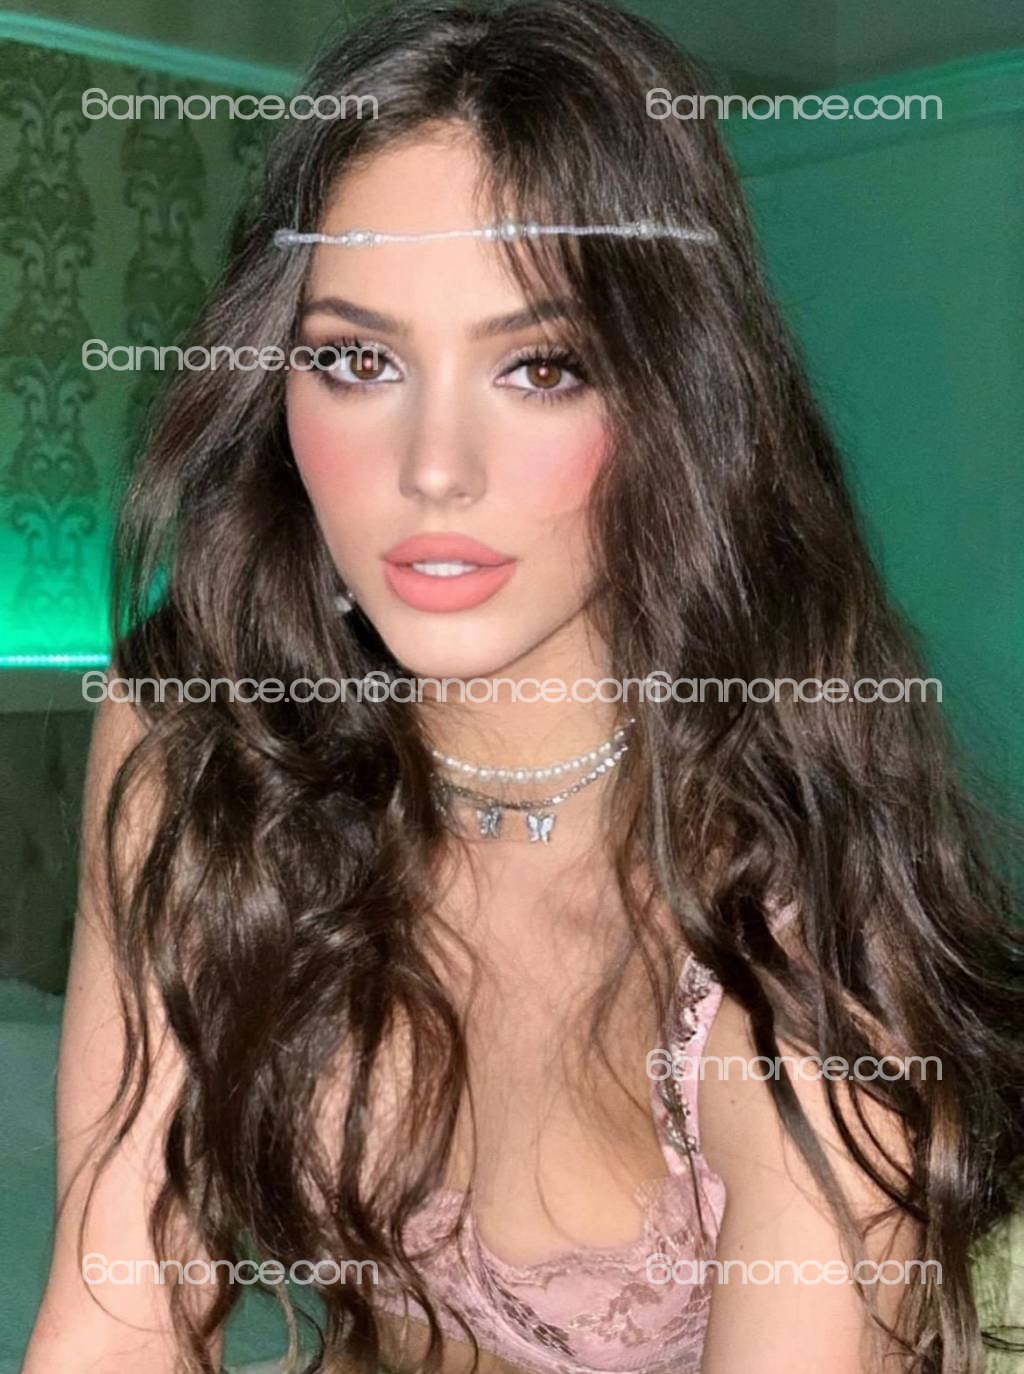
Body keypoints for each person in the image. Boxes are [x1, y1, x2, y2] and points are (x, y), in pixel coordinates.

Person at [23, 2, 1023, 1372]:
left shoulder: (794, 963)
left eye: (540, 366)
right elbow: (113, 1314)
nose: (434, 466)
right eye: (356, 359)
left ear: (676, 401)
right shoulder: (202, 730)